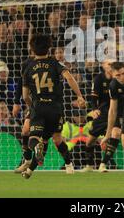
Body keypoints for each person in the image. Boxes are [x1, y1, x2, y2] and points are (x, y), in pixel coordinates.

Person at [21, 34, 86, 179]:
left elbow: (25, 96)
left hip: (38, 108)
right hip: (55, 108)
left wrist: (32, 108)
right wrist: (79, 96)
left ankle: (34, 155)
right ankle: (69, 164)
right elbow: (69, 77)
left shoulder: (28, 68)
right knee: (57, 138)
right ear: (49, 48)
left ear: (32, 50)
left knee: (35, 138)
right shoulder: (55, 63)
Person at [82, 59, 122, 173]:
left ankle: (103, 164)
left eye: (113, 64)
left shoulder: (119, 78)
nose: (111, 66)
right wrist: (94, 109)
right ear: (103, 66)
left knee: (116, 133)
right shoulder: (99, 79)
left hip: (116, 112)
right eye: (109, 64)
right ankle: (89, 165)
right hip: (103, 113)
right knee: (89, 141)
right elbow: (94, 97)